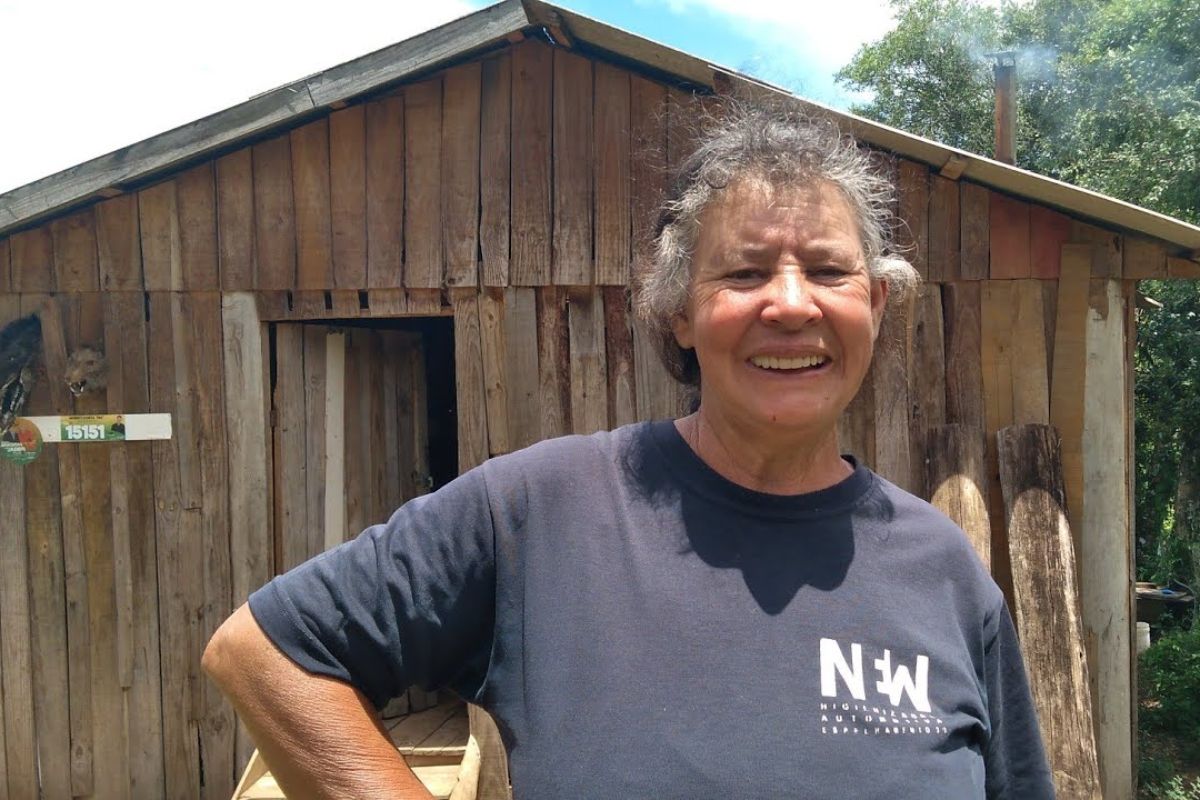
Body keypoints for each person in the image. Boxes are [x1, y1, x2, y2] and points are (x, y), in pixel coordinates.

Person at [203, 103, 1055, 799]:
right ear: (679, 312)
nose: (792, 305)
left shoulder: (943, 572)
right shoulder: (544, 509)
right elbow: (263, 650)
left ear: (876, 305)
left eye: (830, 272)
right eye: (745, 273)